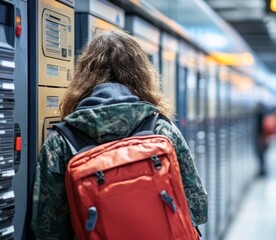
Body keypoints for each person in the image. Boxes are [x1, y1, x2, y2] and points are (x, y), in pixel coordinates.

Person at [31, 30, 208, 239]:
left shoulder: (61, 143)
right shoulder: (162, 131)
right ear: (142, 74)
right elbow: (198, 208)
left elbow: (46, 228)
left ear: (83, 75)